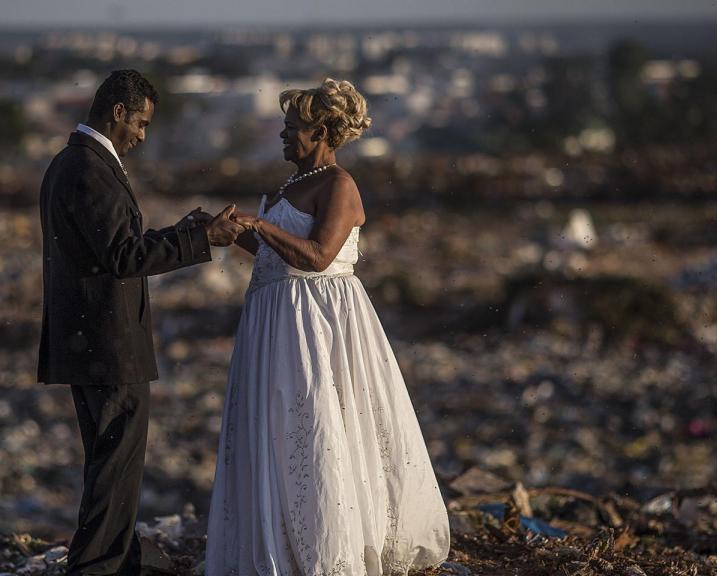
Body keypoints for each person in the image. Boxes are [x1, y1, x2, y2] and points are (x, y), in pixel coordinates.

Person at [206, 78, 450, 575]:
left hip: (315, 323)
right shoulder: (289, 185)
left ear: (320, 133)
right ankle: (282, 541)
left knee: (316, 422)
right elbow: (276, 255)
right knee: (278, 425)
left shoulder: (339, 185)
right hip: (274, 319)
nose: (282, 134)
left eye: (292, 127)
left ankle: (327, 550)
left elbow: (317, 256)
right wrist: (233, 233)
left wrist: (260, 224)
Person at [37, 69, 244, 576]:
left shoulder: (72, 163)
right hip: (107, 345)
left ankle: (120, 558)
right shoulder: (89, 168)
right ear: (118, 112)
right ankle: (95, 567)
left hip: (92, 342)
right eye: (142, 124)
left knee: (114, 463)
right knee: (115, 464)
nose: (143, 137)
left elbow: (115, 247)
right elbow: (125, 257)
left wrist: (182, 232)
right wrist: (202, 240)